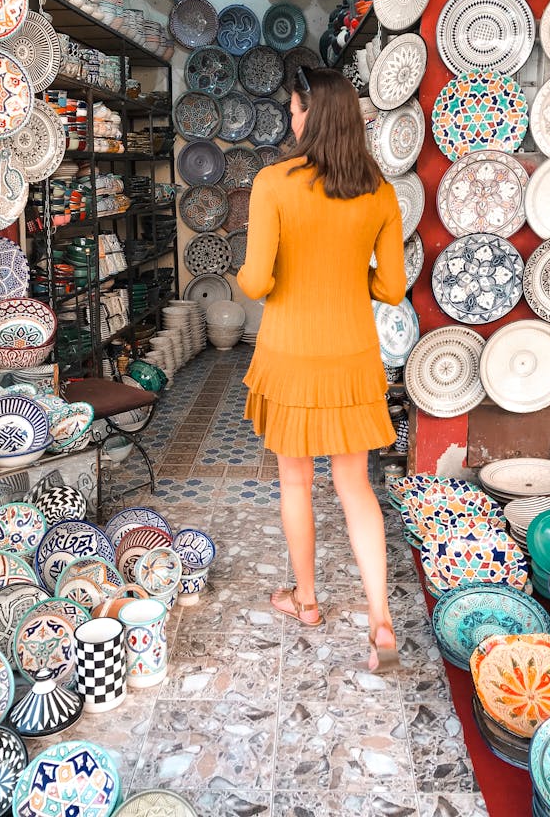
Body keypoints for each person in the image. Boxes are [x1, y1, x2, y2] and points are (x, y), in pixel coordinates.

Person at [237, 67, 406, 673]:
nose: (290, 118)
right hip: (352, 357)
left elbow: (256, 281)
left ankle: (306, 602)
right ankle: (381, 623)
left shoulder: (273, 182)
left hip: (290, 355)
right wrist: (344, 274)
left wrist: (270, 271)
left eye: (293, 108)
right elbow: (391, 287)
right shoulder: (380, 192)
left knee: (295, 483)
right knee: (355, 487)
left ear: (311, 113)